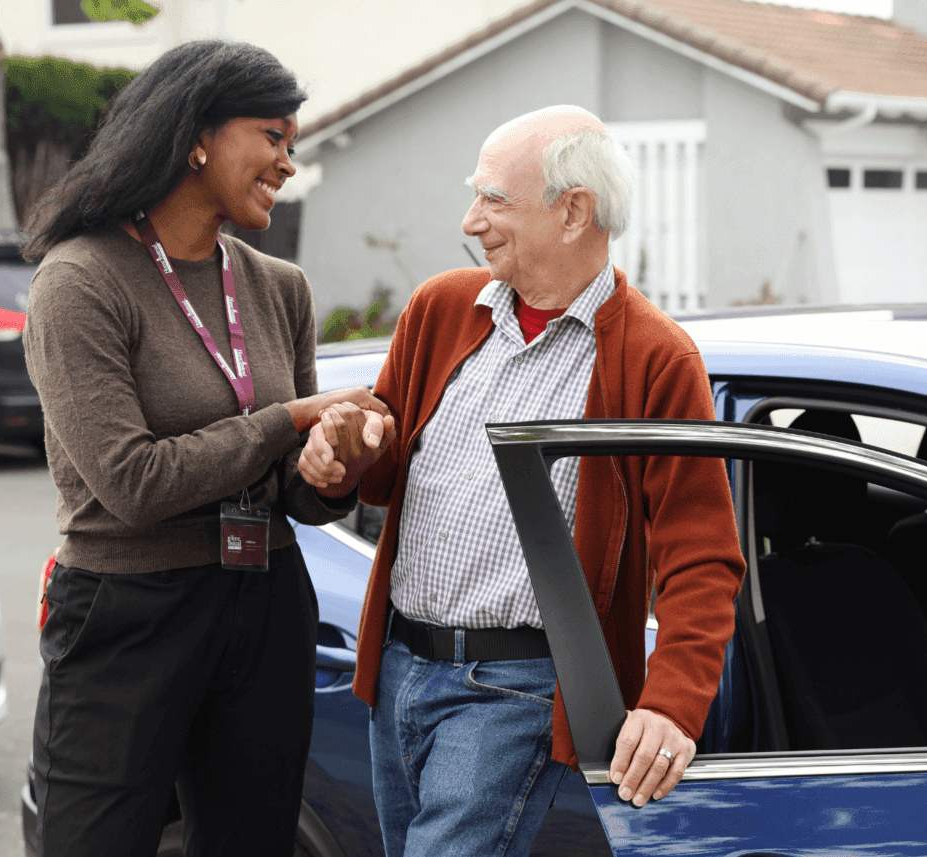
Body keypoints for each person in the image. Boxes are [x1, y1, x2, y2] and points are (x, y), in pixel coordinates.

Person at [298, 105, 745, 857]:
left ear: (573, 212)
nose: (471, 219)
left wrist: (671, 706)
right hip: (396, 669)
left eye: (494, 199)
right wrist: (345, 455)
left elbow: (702, 558)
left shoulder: (655, 357)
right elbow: (385, 463)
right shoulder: (440, 308)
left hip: (515, 689)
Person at [22, 40, 394, 857]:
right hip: (128, 610)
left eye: (293, 143)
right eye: (272, 135)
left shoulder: (278, 286)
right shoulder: (80, 280)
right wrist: (290, 419)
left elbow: (295, 489)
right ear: (197, 134)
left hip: (263, 603)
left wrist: (336, 466)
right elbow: (131, 481)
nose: (287, 162)